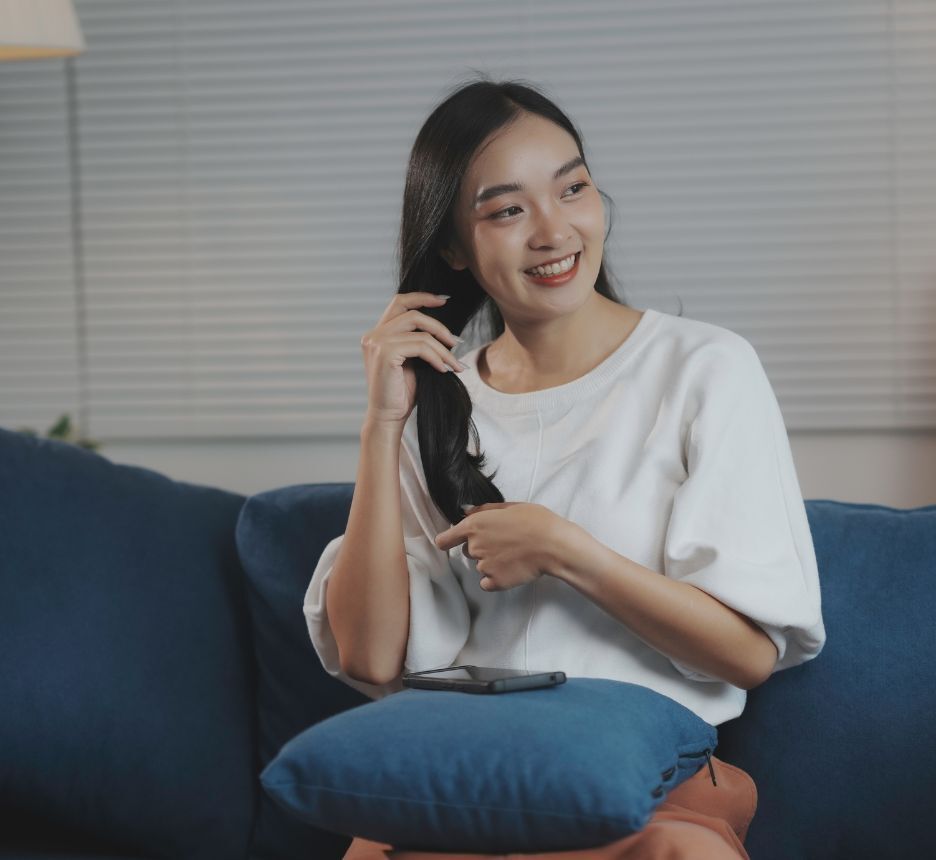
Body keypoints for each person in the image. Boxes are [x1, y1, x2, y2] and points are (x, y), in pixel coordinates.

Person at [303, 75, 826, 860]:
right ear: (452, 245)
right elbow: (371, 657)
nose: (554, 230)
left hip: (638, 793)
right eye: (508, 209)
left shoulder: (705, 369)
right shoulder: (437, 404)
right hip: (466, 787)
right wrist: (382, 424)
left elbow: (749, 654)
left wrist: (565, 551)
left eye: (572, 188)